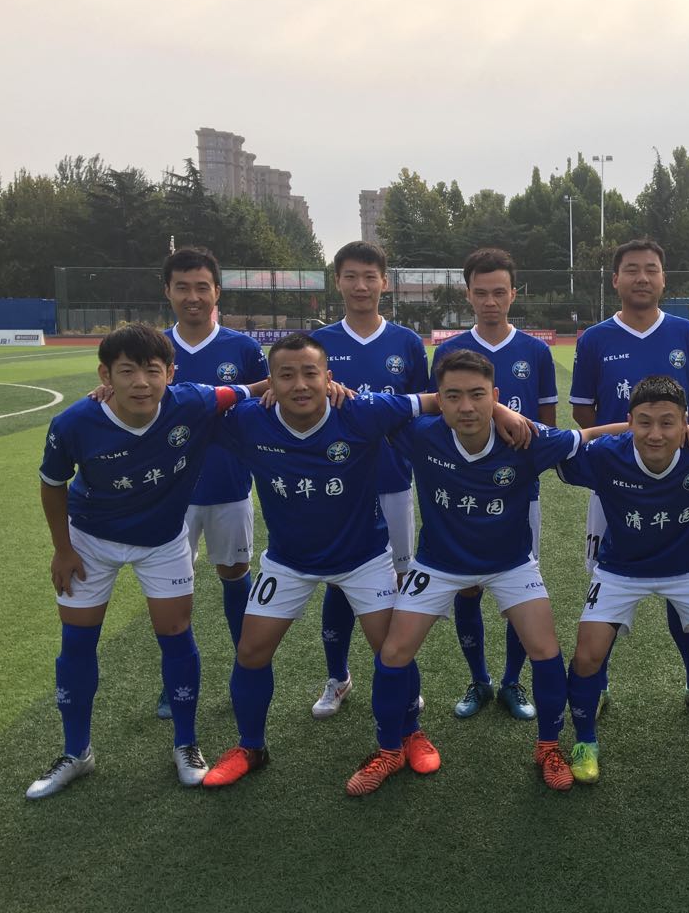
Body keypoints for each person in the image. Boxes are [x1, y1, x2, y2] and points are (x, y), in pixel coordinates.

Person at [199, 335, 530, 788]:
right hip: (288, 560)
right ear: (270, 383)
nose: (300, 385)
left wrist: (502, 410)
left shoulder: (360, 411)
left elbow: (440, 399)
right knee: (251, 651)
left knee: (393, 650)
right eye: (286, 376)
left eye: (311, 373)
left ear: (329, 378)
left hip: (363, 559)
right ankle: (250, 746)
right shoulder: (249, 420)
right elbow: (182, 411)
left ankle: (410, 733)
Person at [347, 350, 623, 795]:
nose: (467, 407)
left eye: (478, 396)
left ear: (495, 396)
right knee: (394, 652)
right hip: (438, 564)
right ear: (439, 399)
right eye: (453, 396)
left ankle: (548, 748)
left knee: (546, 651)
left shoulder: (525, 439)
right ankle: (390, 749)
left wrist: (661, 428)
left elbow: (587, 435)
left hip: (510, 564)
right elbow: (363, 411)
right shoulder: (420, 434)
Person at [29, 323, 259, 799]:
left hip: (162, 540)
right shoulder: (74, 423)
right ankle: (76, 752)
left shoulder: (194, 401)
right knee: (77, 643)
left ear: (170, 373)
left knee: (176, 635)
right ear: (105, 376)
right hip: (90, 540)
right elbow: (52, 485)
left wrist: (317, 384)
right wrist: (63, 548)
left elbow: (254, 388)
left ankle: (186, 744)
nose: (140, 382)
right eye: (127, 371)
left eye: (152, 371)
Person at [559, 375, 689, 787]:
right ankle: (585, 742)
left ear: (686, 422)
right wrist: (611, 430)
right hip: (620, 570)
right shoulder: (606, 454)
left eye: (667, 423)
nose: (655, 434)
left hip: (688, 570)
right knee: (586, 657)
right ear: (629, 422)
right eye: (644, 422)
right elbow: (555, 447)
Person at [568, 237, 689, 722]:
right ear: (616, 279)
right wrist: (622, 451)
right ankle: (598, 684)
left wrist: (676, 445)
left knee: (681, 572)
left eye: (651, 269)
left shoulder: (687, 333)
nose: (641, 278)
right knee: (605, 580)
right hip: (615, 482)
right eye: (631, 269)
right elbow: (582, 412)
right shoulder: (595, 339)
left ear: (664, 279)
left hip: (674, 478)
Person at [431, 248, 558, 722]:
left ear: (513, 294)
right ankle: (478, 679)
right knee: (467, 588)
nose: (490, 301)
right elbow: (438, 415)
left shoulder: (536, 352)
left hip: (519, 492)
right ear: (468, 294)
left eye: (499, 292)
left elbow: (546, 426)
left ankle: (511, 681)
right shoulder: (447, 352)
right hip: (461, 492)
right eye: (481, 293)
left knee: (518, 591)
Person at [311, 241, 429, 719]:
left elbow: (423, 412)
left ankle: (398, 676)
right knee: (339, 581)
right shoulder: (318, 343)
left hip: (394, 480)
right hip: (337, 485)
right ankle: (337, 676)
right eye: (351, 276)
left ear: (384, 282)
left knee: (399, 581)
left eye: (369, 277)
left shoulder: (407, 343)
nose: (361, 286)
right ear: (337, 281)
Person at [154, 245, 268, 719]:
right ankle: (174, 682)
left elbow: (268, 401)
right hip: (168, 492)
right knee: (170, 587)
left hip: (228, 487)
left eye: (202, 287)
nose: (193, 297)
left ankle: (246, 669)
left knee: (234, 574)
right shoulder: (154, 347)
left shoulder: (243, 349)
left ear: (217, 291)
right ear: (167, 291)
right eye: (182, 287)